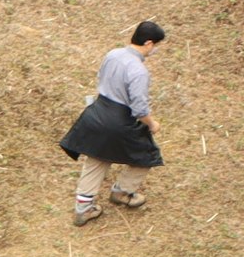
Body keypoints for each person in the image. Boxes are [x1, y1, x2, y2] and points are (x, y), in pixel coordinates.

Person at [61, 21, 166, 227]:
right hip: (119, 120)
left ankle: (83, 208)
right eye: (156, 46)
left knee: (97, 158)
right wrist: (152, 124)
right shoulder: (138, 71)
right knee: (146, 155)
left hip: (97, 111)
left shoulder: (113, 54)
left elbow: (101, 77)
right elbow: (140, 109)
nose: (155, 50)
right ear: (148, 43)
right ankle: (122, 192)